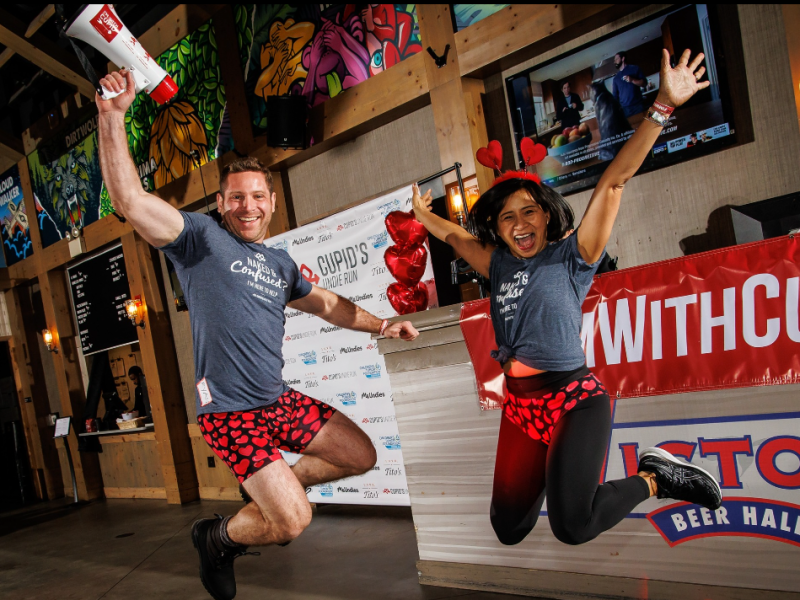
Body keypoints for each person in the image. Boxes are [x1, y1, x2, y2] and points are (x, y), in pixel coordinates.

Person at [96, 69, 419, 600]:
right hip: (228, 410)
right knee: (294, 522)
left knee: (360, 455)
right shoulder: (197, 240)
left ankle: (275, 487)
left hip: (277, 400)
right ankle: (218, 537)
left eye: (257, 197)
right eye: (236, 198)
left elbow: (330, 306)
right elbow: (131, 201)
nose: (248, 206)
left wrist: (382, 323)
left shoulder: (279, 263)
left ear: (271, 202)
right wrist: (112, 117)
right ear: (222, 204)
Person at [412, 48, 722, 547]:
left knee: (571, 525)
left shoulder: (572, 256)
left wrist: (662, 106)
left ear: (547, 214)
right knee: (508, 526)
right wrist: (422, 214)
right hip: (520, 405)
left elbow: (614, 180)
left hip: (573, 400)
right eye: (508, 217)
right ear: (496, 226)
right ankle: (559, 484)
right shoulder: (499, 263)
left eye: (530, 212)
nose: (520, 224)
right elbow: (453, 236)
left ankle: (656, 477)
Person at [612, 51, 647, 118]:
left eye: (616, 59)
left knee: (642, 125)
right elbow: (615, 96)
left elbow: (644, 83)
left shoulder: (635, 69)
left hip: (638, 106)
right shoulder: (616, 78)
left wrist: (632, 80)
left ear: (623, 59)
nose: (615, 61)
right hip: (625, 110)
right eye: (614, 60)